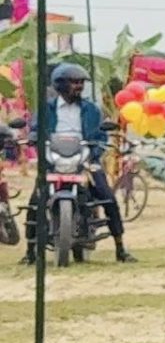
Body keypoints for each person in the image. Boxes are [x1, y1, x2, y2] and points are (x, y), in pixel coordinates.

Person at [22, 62, 136, 263]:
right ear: (60, 85)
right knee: (35, 202)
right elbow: (36, 127)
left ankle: (120, 248)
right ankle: (30, 251)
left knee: (107, 197)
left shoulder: (91, 109)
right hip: (54, 160)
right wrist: (33, 135)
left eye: (81, 82)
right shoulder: (46, 108)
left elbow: (100, 136)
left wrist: (95, 152)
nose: (79, 86)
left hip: (85, 160)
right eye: (75, 82)